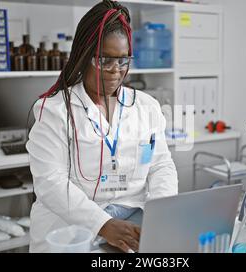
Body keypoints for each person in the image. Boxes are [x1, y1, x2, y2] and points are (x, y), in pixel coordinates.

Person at [26, 0, 178, 253]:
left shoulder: (146, 106)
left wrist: (159, 212)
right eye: (105, 60)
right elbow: (50, 182)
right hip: (73, 230)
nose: (115, 71)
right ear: (85, 56)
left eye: (123, 61)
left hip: (132, 225)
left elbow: (161, 165)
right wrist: (103, 224)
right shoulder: (54, 110)